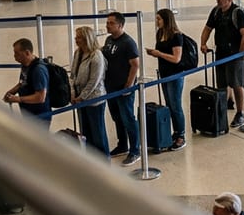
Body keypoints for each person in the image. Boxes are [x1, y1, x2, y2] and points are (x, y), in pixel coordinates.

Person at [200, 0, 244, 128]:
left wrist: (241, 54)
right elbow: (207, 28)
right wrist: (203, 43)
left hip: (235, 55)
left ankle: (240, 112)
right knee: (221, 83)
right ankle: (224, 105)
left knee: (236, 84)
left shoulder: (238, 13)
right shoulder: (216, 12)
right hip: (221, 53)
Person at [146, 9, 189, 152]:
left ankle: (181, 135)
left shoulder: (176, 36)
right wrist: (155, 53)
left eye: (159, 19)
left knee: (175, 105)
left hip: (175, 75)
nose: (157, 21)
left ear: (166, 20)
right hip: (164, 74)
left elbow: (176, 59)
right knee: (169, 104)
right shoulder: (160, 34)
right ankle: (175, 132)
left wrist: (159, 54)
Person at [102, 12, 141, 165]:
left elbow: (135, 65)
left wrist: (128, 86)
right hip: (111, 86)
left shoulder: (128, 43)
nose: (107, 25)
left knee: (128, 118)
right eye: (107, 22)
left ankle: (135, 150)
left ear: (120, 25)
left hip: (123, 88)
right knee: (116, 117)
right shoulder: (109, 40)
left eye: (111, 23)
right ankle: (122, 145)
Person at [71, 26, 110, 157]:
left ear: (87, 38)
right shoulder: (78, 53)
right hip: (79, 100)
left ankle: (104, 161)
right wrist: (73, 93)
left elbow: (94, 81)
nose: (76, 40)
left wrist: (81, 97)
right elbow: (73, 75)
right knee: (85, 133)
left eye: (79, 37)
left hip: (94, 101)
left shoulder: (96, 56)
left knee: (98, 134)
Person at [3, 38, 50, 125]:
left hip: (39, 117)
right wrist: (12, 92)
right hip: (29, 115)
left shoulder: (38, 70)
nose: (14, 56)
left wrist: (18, 99)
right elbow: (23, 82)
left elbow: (40, 97)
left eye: (17, 53)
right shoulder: (26, 66)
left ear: (27, 53)